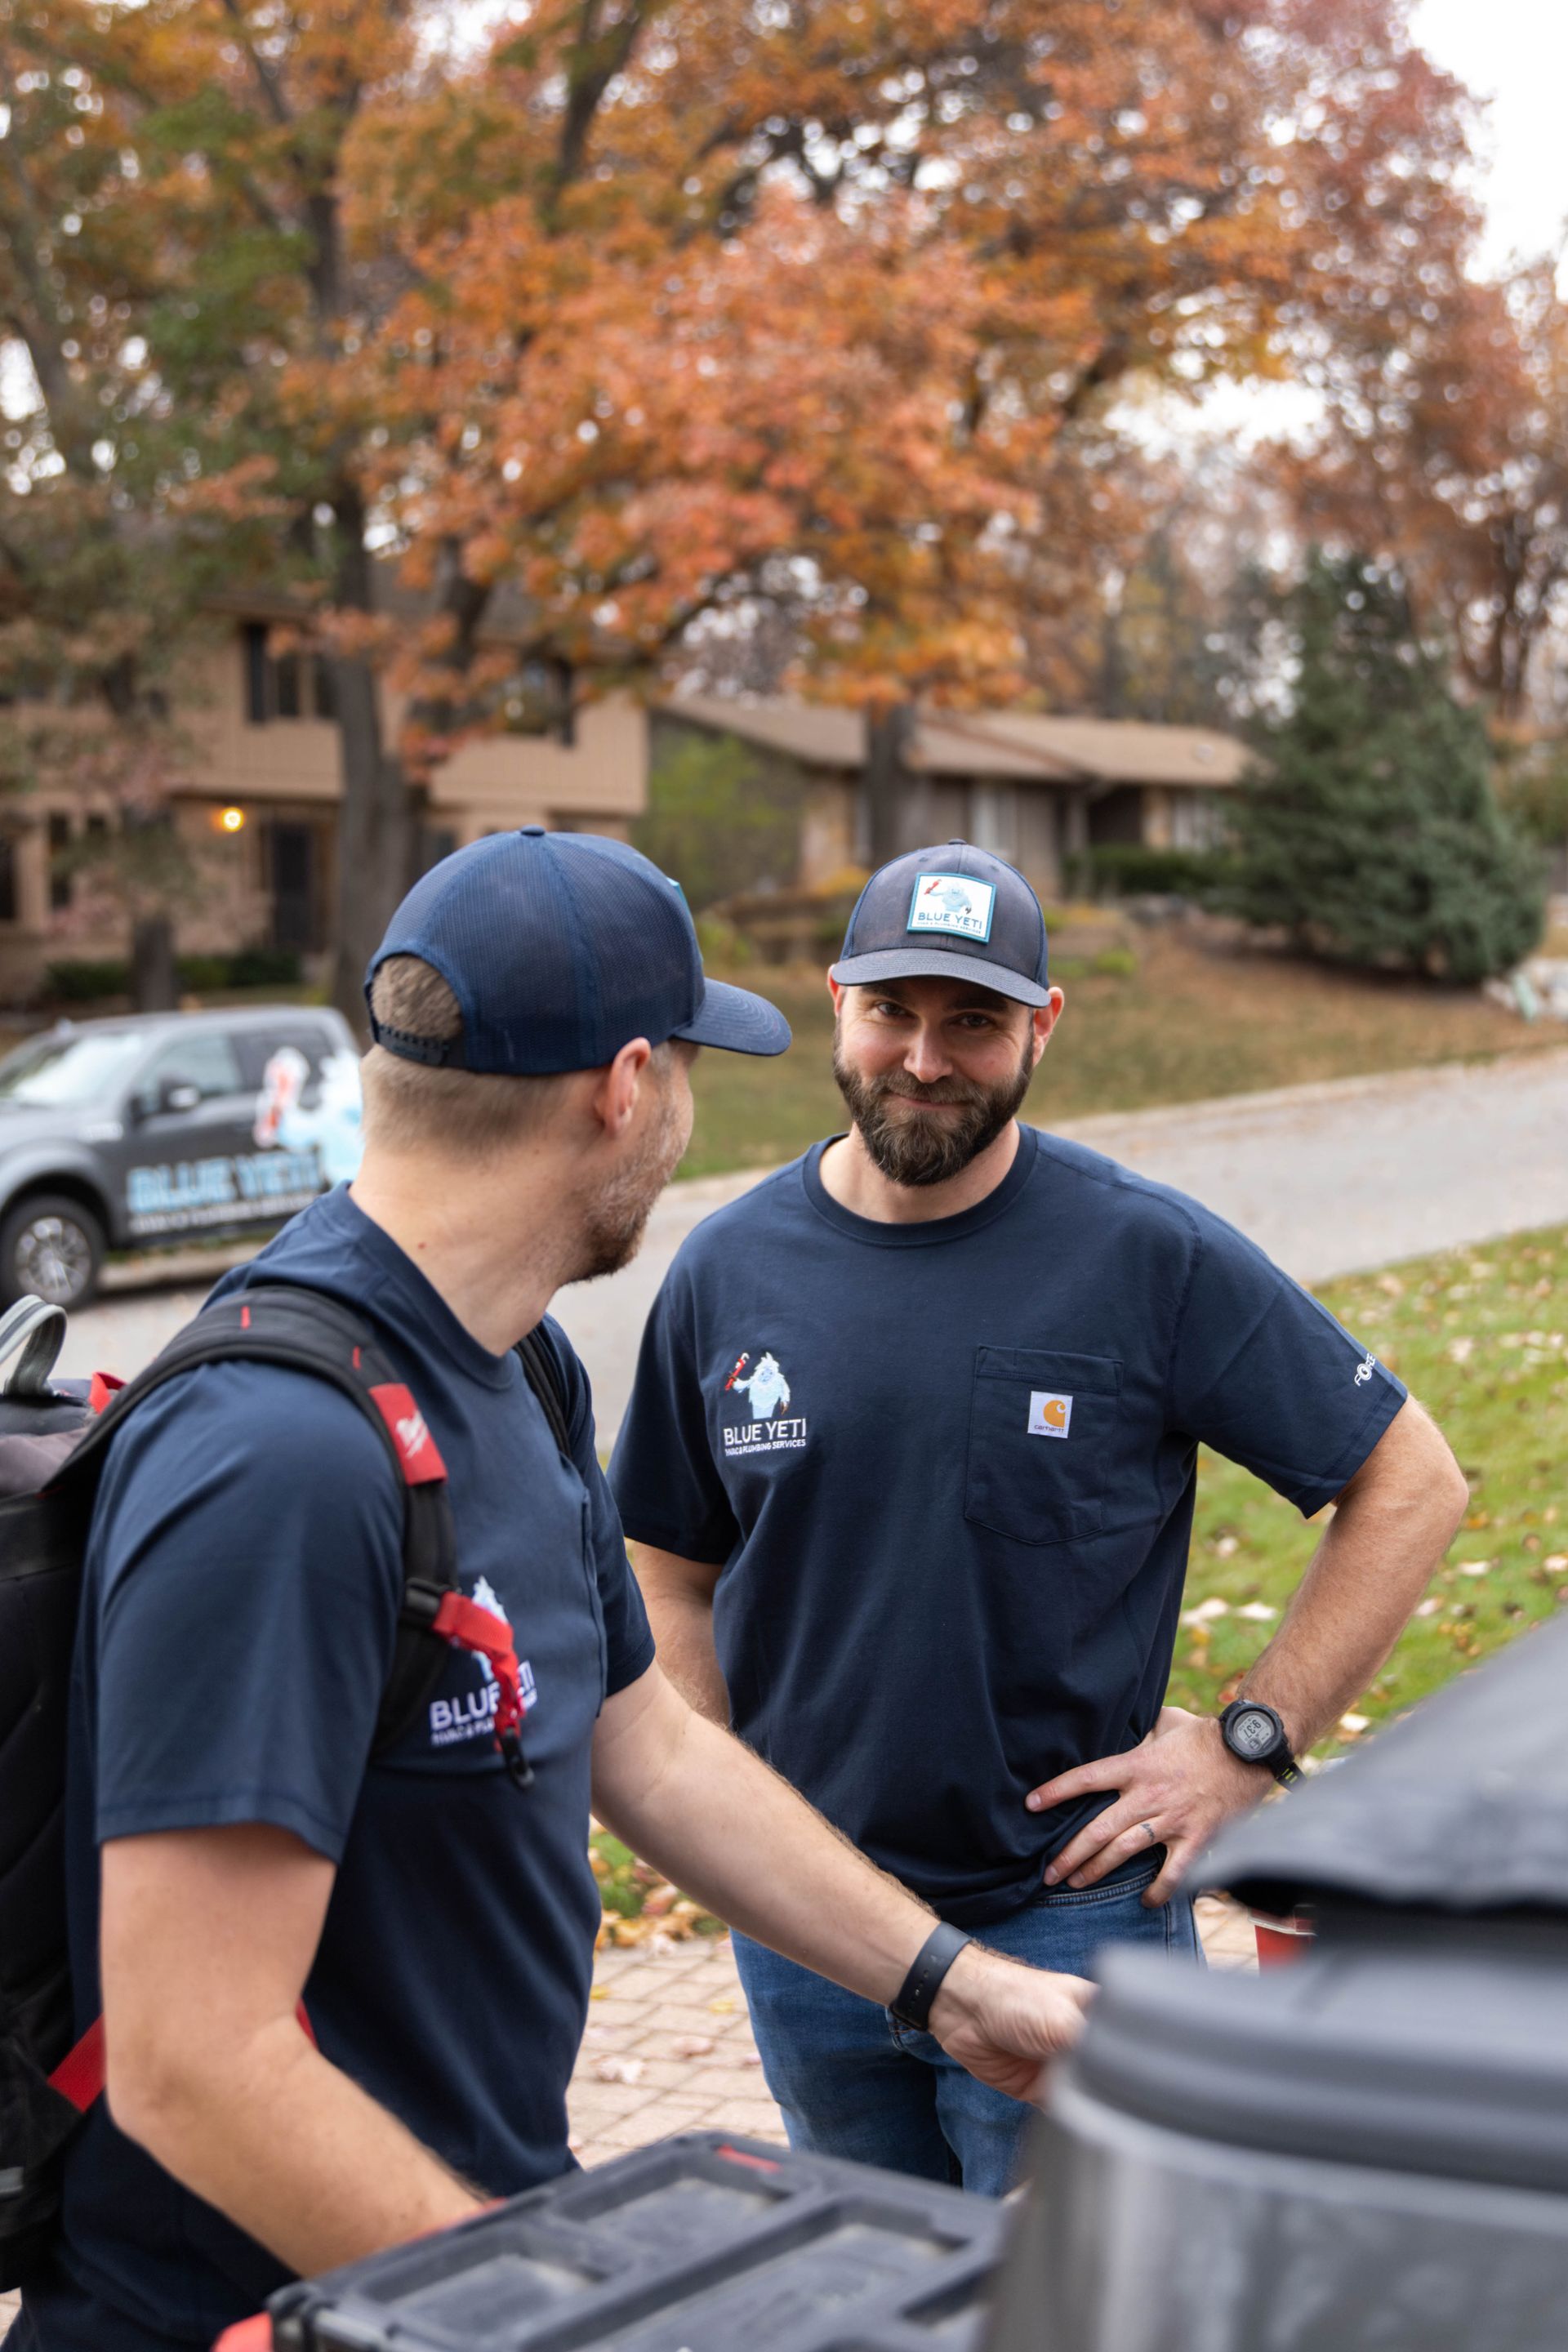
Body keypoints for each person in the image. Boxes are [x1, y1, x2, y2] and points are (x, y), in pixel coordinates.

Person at [10, 831, 1092, 2352]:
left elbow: (639, 1739)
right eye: (694, 1074)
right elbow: (197, 2065)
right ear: (626, 1087)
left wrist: (955, 1987)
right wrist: (545, 2314)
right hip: (274, 2317)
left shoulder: (512, 1359)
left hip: (460, 2267)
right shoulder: (282, 1456)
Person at [610, 837, 1470, 2195]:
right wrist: (736, 1816)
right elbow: (665, 1570)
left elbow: (1410, 1480)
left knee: (1085, 2307)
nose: (926, 1059)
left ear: (1042, 1027)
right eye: (893, 1011)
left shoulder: (1143, 1254)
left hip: (1070, 1927)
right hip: (815, 1949)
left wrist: (1251, 1741)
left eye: (975, 1022)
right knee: (874, 2297)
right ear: (839, 1000)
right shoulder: (728, 1269)